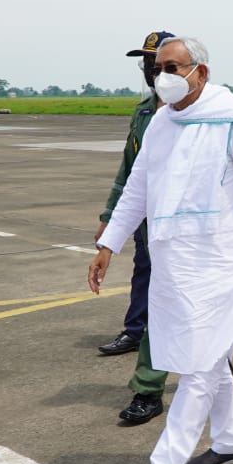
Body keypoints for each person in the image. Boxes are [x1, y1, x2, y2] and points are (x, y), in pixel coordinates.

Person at [88, 36, 233, 464]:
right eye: (160, 68)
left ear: (201, 71)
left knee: (199, 366)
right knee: (210, 361)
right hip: (173, 267)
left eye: (174, 67)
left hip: (223, 266)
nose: (165, 76)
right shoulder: (161, 121)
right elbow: (137, 186)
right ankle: (232, 443)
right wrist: (107, 245)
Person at [95, 30, 174, 426]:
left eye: (157, 60)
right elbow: (130, 168)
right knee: (153, 289)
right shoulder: (144, 112)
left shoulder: (204, 113)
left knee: (200, 304)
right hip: (149, 223)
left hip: (191, 231)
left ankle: (214, 361)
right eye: (145, 61)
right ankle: (148, 387)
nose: (149, 68)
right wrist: (111, 220)